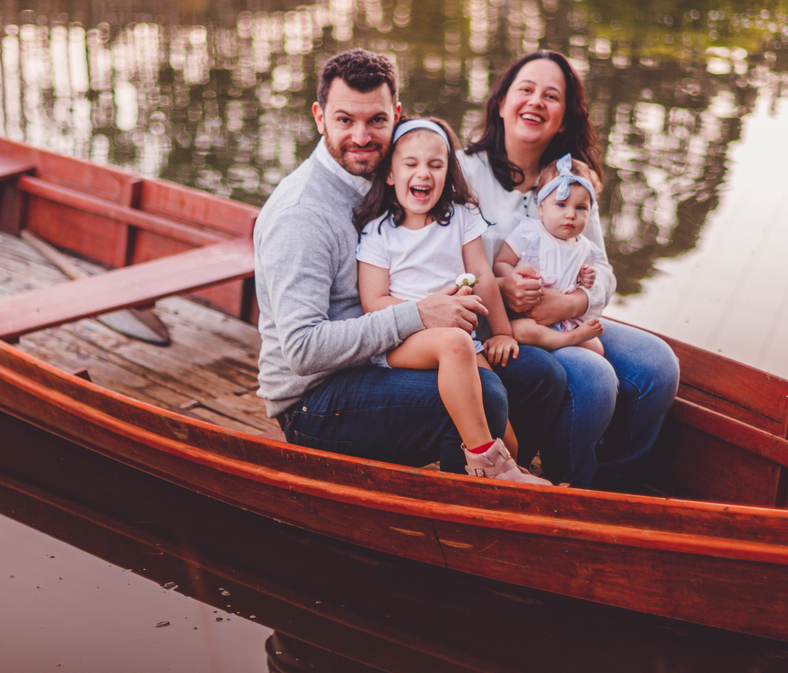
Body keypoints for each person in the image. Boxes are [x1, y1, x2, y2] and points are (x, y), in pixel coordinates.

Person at [253, 49, 565, 477]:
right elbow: (303, 351)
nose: (362, 136)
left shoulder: (386, 177)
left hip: (382, 353)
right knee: (487, 394)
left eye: (377, 121)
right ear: (319, 117)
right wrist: (417, 314)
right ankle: (465, 521)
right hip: (316, 398)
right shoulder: (302, 214)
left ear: (396, 115)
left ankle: (509, 485)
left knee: (540, 377)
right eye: (345, 120)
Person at [460, 49, 681, 490]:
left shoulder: (570, 181)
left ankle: (608, 484)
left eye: (551, 96)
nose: (536, 101)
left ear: (564, 119)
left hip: (565, 315)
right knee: (595, 376)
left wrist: (573, 299)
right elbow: (439, 260)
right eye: (525, 90)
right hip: (496, 329)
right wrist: (502, 286)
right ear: (501, 103)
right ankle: (566, 489)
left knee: (659, 365)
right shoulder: (462, 173)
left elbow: (602, 268)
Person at [353, 118, 548, 484]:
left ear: (448, 172)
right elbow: (373, 302)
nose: (423, 173)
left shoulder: (460, 217)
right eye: (410, 164)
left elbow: (484, 276)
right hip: (401, 340)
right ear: (391, 174)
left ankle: (507, 477)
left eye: (435, 164)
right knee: (455, 344)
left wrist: (503, 332)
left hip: (461, 339)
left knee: (506, 433)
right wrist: (423, 312)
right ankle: (485, 465)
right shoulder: (378, 233)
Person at [494, 153, 606, 355]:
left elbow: (583, 283)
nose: (570, 214)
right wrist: (511, 278)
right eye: (561, 205)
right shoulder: (530, 233)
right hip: (528, 316)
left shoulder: (585, 247)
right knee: (520, 330)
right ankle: (567, 340)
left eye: (581, 208)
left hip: (565, 319)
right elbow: (501, 262)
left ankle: (566, 337)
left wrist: (586, 278)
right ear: (542, 208)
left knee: (597, 349)